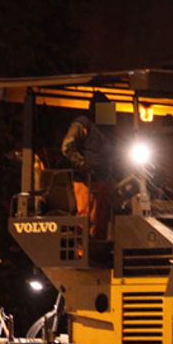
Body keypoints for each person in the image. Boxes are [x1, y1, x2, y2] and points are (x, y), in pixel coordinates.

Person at [61, 92, 113, 239]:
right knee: (84, 216)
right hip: (85, 179)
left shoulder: (106, 129)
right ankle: (82, 251)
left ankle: (97, 249)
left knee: (101, 217)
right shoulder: (83, 123)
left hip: (102, 178)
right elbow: (67, 147)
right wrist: (83, 164)